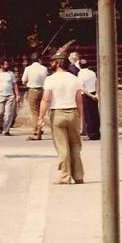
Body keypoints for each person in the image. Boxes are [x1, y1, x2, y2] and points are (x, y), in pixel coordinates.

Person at [37, 50, 85, 185]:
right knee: (75, 145)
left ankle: (65, 176)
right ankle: (79, 175)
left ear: (57, 63)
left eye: (53, 62)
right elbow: (79, 100)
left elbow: (46, 99)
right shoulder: (75, 78)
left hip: (57, 113)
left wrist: (40, 117)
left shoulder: (50, 79)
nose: (51, 64)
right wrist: (80, 117)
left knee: (62, 147)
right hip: (73, 112)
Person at [21, 53, 48, 140]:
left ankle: (37, 131)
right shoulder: (44, 68)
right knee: (41, 112)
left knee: (34, 112)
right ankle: (38, 128)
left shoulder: (28, 68)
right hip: (42, 90)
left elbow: (23, 80)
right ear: (39, 59)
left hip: (33, 90)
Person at [0, 60, 19, 135]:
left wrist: (17, 95)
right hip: (0, 95)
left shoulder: (11, 74)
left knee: (8, 114)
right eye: (5, 64)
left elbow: (14, 85)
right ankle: (0, 125)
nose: (7, 65)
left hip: (10, 95)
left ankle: (6, 130)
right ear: (1, 65)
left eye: (7, 64)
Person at [77, 59, 100, 140]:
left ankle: (91, 134)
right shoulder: (92, 73)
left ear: (79, 65)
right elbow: (96, 83)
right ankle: (97, 132)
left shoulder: (80, 74)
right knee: (95, 114)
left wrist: (90, 96)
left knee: (88, 116)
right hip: (94, 93)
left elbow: (82, 87)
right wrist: (96, 94)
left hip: (87, 96)